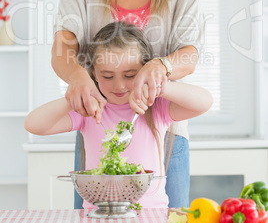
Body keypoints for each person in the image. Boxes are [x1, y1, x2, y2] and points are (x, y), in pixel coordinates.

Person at [51, 0, 201, 208]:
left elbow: (190, 54)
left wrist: (160, 65)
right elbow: (63, 48)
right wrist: (77, 76)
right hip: (98, 131)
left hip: (165, 134)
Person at [27, 22, 212, 209]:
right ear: (94, 75)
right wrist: (75, 94)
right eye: (108, 76)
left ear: (143, 71)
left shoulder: (155, 108)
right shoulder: (89, 111)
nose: (119, 85)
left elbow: (205, 102)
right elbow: (34, 124)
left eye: (130, 75)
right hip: (99, 214)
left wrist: (159, 86)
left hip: (151, 214)